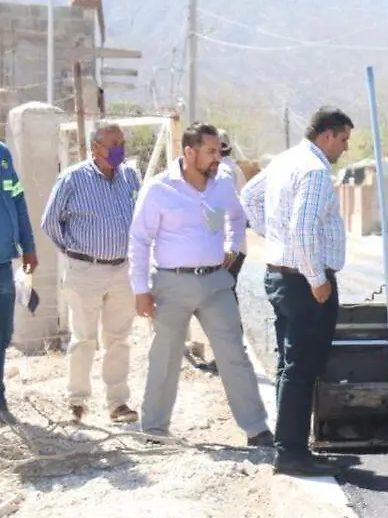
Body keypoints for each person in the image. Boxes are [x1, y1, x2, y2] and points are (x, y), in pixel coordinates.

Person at [128, 122, 272, 446]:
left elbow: (237, 216)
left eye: (219, 152)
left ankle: (256, 429)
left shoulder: (221, 185)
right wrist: (140, 290)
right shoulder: (159, 189)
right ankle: (154, 430)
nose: (216, 158)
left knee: (233, 353)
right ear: (188, 152)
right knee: (164, 357)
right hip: (171, 284)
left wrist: (233, 246)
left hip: (215, 284)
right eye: (210, 152)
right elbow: (138, 240)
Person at [240, 107, 352, 476]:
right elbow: (304, 230)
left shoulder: (287, 160)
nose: (345, 148)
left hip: (282, 276)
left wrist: (274, 238)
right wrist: (317, 277)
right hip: (305, 283)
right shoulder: (315, 171)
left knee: (290, 367)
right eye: (343, 140)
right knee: (301, 368)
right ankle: (290, 453)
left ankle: (289, 446)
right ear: (326, 136)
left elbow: (250, 198)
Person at [40, 122, 140, 423]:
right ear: (96, 147)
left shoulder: (130, 176)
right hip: (85, 270)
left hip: (123, 269)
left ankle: (118, 403)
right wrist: (75, 254)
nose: (119, 149)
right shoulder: (72, 179)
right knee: (84, 338)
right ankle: (78, 402)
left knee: (119, 339)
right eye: (113, 144)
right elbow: (50, 223)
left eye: (122, 142)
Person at [0, 140, 37, 417]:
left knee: (3, 333)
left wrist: (29, 246)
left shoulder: (3, 154)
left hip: (3, 261)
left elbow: (18, 200)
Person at [216, 129, 248, 287]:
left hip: (226, 245)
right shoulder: (234, 168)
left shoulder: (221, 170)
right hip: (238, 244)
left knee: (222, 293)